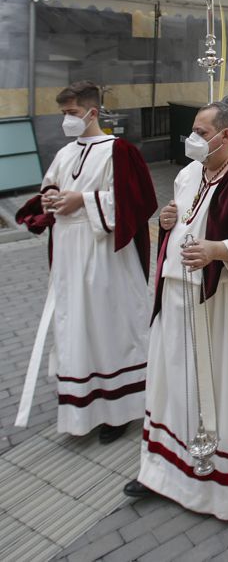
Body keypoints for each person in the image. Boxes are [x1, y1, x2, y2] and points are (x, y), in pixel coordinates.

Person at [125, 102, 228, 520]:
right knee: (171, 382)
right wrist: (165, 223)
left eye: (200, 130)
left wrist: (218, 250)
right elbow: (183, 221)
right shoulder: (187, 174)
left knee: (216, 384)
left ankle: (218, 481)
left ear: (226, 136)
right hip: (178, 298)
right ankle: (161, 471)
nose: (192, 137)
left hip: (225, 307)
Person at [15, 81, 156, 443]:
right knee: (75, 323)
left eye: (72, 113)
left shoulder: (119, 150)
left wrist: (85, 201)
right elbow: (51, 185)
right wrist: (49, 198)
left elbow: (138, 201)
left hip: (105, 252)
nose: (67, 120)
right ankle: (83, 405)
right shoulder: (65, 153)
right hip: (68, 252)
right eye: (63, 113)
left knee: (110, 324)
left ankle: (119, 409)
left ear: (93, 112)